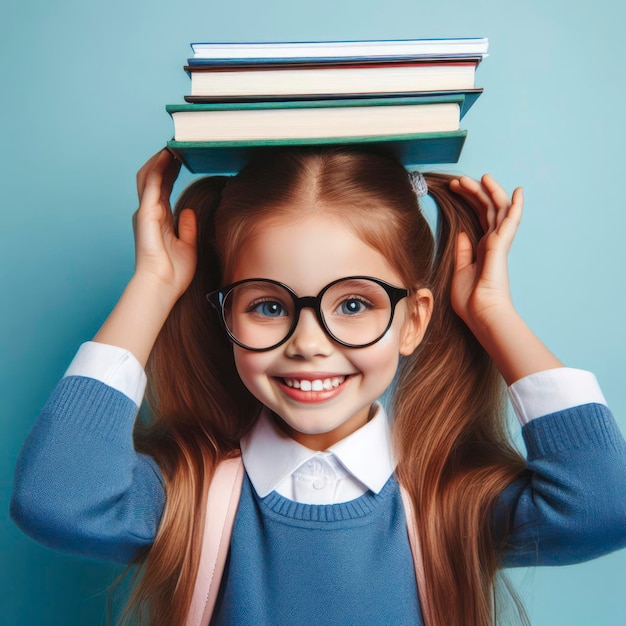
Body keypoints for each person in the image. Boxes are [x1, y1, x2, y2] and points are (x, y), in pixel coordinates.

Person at [11, 146, 626, 626]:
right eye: (270, 307)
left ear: (414, 319)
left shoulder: (450, 501)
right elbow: (59, 500)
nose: (309, 342)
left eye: (355, 304)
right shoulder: (190, 497)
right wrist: (151, 285)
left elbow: (603, 504)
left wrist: (493, 314)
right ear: (224, 316)